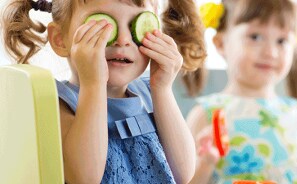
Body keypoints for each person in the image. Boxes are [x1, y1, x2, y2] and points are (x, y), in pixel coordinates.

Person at [2, 0, 207, 183]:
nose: (124, 40)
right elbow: (86, 177)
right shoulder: (59, 102)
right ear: (60, 39)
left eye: (137, 25)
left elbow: (183, 174)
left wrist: (163, 89)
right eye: (101, 27)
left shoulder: (152, 92)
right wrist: (93, 84)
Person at [187, 0, 297, 183]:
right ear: (221, 43)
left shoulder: (295, 111)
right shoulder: (207, 112)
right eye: (255, 37)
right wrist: (206, 163)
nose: (271, 52)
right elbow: (186, 179)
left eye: (282, 41)